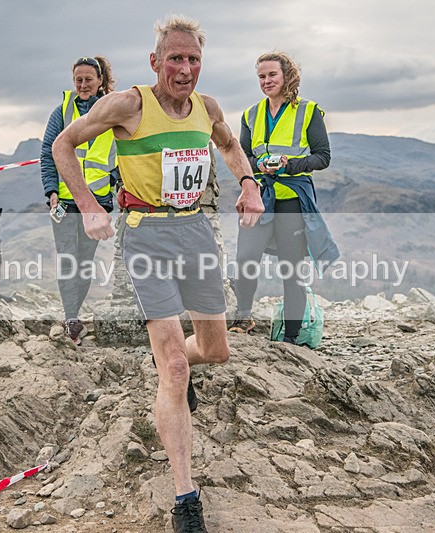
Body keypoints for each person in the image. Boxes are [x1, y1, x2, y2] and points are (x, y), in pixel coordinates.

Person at [53, 16, 264, 533]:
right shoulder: (128, 105)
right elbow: (63, 144)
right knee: (174, 368)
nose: (185, 69)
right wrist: (88, 206)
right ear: (155, 62)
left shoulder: (207, 108)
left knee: (215, 350)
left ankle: (175, 365)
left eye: (193, 59)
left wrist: (249, 183)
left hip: (196, 232)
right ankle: (185, 499)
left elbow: (228, 145)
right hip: (145, 235)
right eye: (175, 58)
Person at [229, 51, 339, 343]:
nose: (266, 81)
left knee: (291, 269)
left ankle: (291, 335)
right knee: (245, 257)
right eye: (261, 76)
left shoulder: (308, 111)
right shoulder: (250, 114)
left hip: (292, 198)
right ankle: (243, 317)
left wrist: (290, 165)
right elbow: (244, 158)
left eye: (272, 75)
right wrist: (259, 165)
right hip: (260, 196)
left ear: (287, 76)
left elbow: (323, 157)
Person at [40, 56, 118, 345]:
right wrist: (51, 190)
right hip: (64, 199)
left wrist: (119, 183)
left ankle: (73, 314)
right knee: (67, 257)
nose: (83, 85)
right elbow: (48, 153)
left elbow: (121, 155)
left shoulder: (112, 111)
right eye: (78, 80)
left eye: (88, 80)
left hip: (97, 202)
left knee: (84, 261)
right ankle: (71, 318)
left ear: (100, 81)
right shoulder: (62, 111)